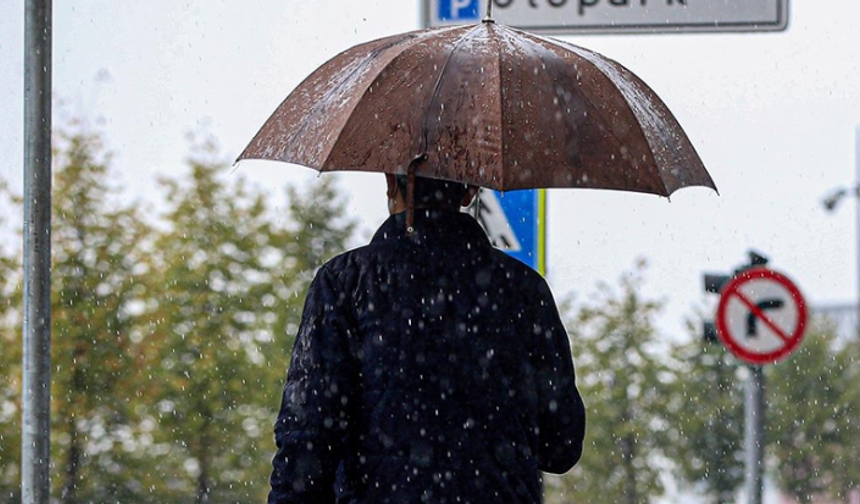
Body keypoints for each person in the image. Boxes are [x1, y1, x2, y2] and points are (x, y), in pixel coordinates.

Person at [269, 173, 586, 504]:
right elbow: (561, 445)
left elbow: (307, 438)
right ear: (471, 192)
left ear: (392, 183)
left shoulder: (346, 283)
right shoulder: (523, 291)